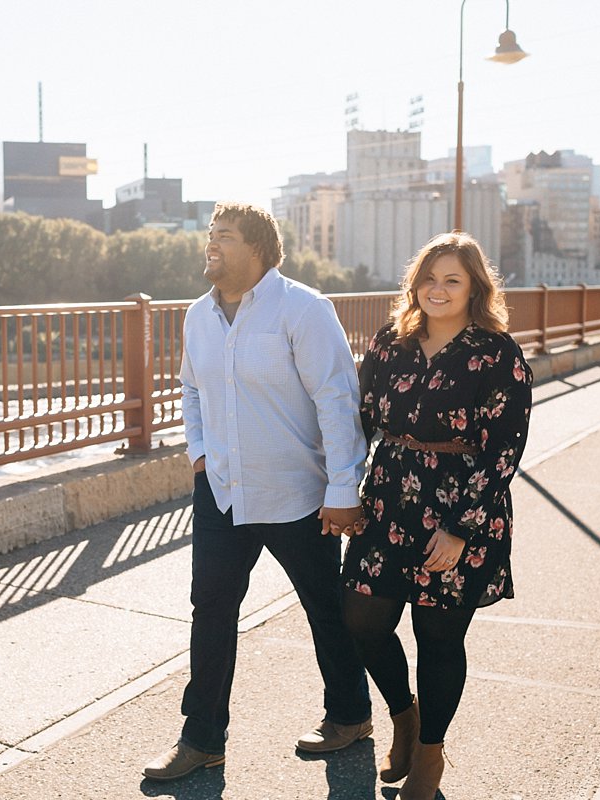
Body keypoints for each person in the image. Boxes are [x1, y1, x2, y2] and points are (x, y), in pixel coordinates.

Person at [143, 202, 373, 781]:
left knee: (326, 609)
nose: (211, 244)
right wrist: (199, 454)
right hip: (222, 493)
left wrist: (344, 487)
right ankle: (201, 739)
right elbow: (189, 389)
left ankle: (349, 716)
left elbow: (337, 400)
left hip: (299, 495)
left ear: (259, 249)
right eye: (210, 234)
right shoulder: (198, 316)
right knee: (211, 612)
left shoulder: (304, 309)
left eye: (224, 235)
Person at [338, 232, 533, 800]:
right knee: (362, 618)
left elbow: (505, 450)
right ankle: (405, 716)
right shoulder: (389, 342)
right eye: (429, 277)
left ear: (475, 287)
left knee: (438, 636)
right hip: (390, 497)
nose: (437, 289)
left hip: (460, 505)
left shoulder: (497, 353)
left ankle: (430, 752)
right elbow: (361, 417)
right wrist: (342, 488)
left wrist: (461, 529)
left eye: (452, 279)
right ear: (414, 283)